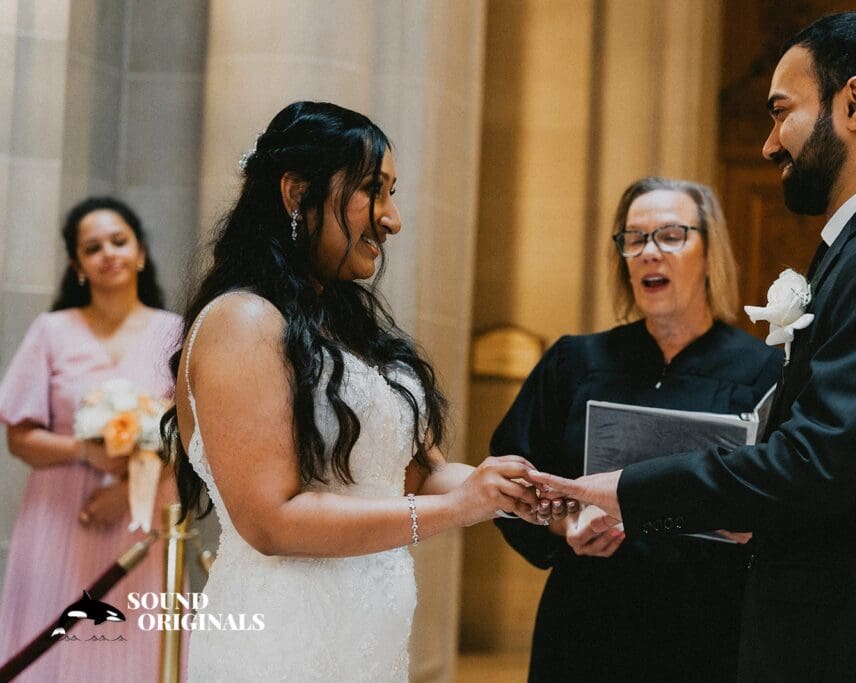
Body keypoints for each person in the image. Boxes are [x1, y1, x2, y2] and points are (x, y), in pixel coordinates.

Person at [529, 10, 856, 681]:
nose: (769, 144)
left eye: (782, 112)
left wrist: (627, 488)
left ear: (855, 103)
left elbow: (814, 463)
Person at [165, 101, 545, 683]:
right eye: (374, 190)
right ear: (297, 194)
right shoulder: (241, 322)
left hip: (366, 641)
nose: (391, 219)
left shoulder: (344, 325)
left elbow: (413, 475)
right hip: (281, 644)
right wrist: (456, 509)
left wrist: (514, 493)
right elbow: (271, 520)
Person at [494, 177, 783, 681]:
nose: (650, 252)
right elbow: (505, 483)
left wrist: (756, 527)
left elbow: (794, 495)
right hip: (588, 628)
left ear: (710, 253)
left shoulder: (763, 371)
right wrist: (563, 526)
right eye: (634, 238)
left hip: (708, 631)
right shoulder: (574, 363)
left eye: (671, 235)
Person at [0, 197, 183, 681]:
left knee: (132, 650)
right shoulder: (51, 331)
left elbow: (190, 437)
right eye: (92, 247)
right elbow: (19, 439)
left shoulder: (175, 334)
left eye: (119, 241)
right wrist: (88, 452)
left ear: (140, 253)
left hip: (143, 521)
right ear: (77, 265)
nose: (108, 253)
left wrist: (125, 491)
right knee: (51, 650)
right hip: (61, 517)